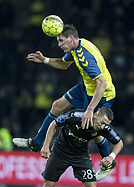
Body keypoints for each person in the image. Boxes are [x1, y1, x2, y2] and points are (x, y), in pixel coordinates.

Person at [13, 24, 116, 163]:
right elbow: (63, 64)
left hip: (102, 94)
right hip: (88, 87)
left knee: (92, 129)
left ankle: (107, 161)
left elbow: (102, 84)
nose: (59, 44)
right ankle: (36, 143)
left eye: (61, 40)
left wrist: (90, 109)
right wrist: (45, 60)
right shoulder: (77, 47)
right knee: (57, 106)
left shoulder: (84, 56)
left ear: (71, 38)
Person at [35, 107, 123, 187]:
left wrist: (111, 157)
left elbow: (119, 143)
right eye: (102, 122)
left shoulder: (103, 128)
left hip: (80, 155)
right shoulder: (76, 116)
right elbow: (54, 124)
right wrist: (46, 146)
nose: (102, 126)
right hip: (60, 152)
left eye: (106, 124)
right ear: (95, 115)